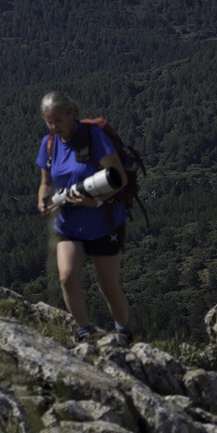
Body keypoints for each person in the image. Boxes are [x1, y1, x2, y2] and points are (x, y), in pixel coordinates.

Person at [35, 90, 133, 345]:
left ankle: (123, 332)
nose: (54, 127)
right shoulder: (49, 144)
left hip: (104, 223)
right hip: (68, 224)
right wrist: (43, 201)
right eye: (49, 122)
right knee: (66, 278)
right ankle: (84, 333)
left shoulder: (94, 137)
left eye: (59, 120)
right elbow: (46, 182)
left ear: (72, 114)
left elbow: (119, 178)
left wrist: (95, 201)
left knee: (108, 285)